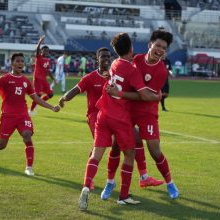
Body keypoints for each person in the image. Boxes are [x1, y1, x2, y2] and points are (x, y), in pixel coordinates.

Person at [59, 48, 163, 193]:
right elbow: (76, 89)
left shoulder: (114, 74)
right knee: (101, 148)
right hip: (96, 116)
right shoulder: (90, 77)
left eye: (109, 56)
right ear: (97, 59)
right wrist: (63, 98)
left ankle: (143, 176)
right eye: (103, 57)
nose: (107, 59)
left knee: (136, 137)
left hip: (114, 114)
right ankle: (93, 181)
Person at [78, 33, 162, 211]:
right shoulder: (131, 70)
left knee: (96, 154)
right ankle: (123, 196)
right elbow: (143, 95)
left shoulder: (114, 63)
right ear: (130, 48)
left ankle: (86, 185)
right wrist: (157, 96)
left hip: (103, 114)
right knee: (130, 154)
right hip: (119, 117)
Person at [107, 30, 179, 200]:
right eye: (158, 46)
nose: (160, 50)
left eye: (164, 48)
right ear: (150, 45)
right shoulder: (136, 59)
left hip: (147, 112)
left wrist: (120, 94)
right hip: (128, 111)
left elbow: (145, 97)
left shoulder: (161, 71)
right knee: (116, 144)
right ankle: (110, 181)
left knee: (155, 150)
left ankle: (170, 183)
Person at [0, 53, 60, 176]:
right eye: (17, 61)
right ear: (12, 63)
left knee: (27, 135)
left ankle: (29, 168)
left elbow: (36, 98)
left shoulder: (26, 81)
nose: (20, 63)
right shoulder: (4, 79)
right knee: (2, 145)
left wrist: (51, 107)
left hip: (22, 115)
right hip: (7, 116)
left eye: (22, 61)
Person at [29, 36, 56, 116]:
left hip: (44, 80)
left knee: (50, 94)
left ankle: (38, 103)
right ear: (41, 51)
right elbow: (37, 51)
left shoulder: (48, 60)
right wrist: (40, 42)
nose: (47, 52)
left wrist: (53, 79)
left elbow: (48, 71)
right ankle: (31, 110)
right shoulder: (39, 57)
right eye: (45, 50)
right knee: (38, 95)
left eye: (48, 51)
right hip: (37, 79)